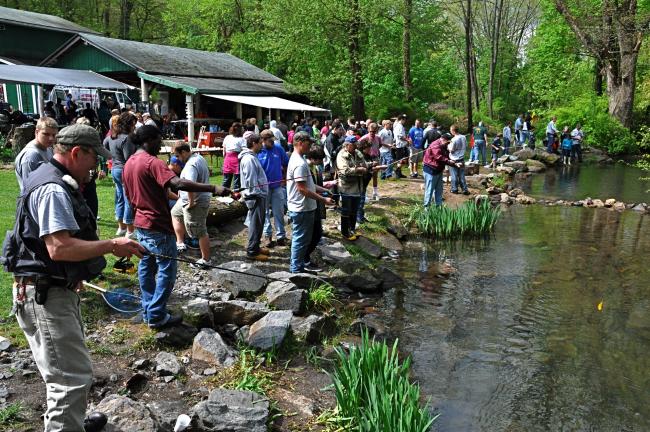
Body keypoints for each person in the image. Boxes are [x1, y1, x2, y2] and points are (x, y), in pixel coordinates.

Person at [3, 123, 143, 432]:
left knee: (67, 371)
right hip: (45, 297)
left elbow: (51, 245)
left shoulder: (52, 179)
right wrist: (112, 244)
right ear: (77, 153)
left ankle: (73, 423)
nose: (97, 166)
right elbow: (60, 248)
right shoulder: (53, 188)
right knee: (69, 379)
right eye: (95, 158)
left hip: (52, 290)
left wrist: (73, 274)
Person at [123, 125, 231, 328]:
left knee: (147, 267)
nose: (161, 145)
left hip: (141, 224)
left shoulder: (129, 162)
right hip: (157, 226)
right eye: (160, 141)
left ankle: (149, 310)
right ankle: (156, 315)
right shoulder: (151, 162)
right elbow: (179, 183)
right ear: (151, 140)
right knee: (167, 270)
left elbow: (130, 196)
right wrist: (214, 188)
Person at [287, 132, 333, 273]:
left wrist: (324, 189)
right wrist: (323, 199)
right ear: (300, 142)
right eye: (309, 142)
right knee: (300, 240)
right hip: (301, 208)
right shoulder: (299, 163)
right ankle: (296, 269)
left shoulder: (299, 159)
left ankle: (300, 265)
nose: (311, 146)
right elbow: (302, 190)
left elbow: (309, 185)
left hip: (306, 207)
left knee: (307, 238)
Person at [171, 143, 213, 267]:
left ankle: (206, 260)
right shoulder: (198, 157)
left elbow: (189, 184)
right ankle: (180, 243)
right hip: (186, 201)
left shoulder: (190, 165)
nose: (178, 159)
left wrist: (191, 202)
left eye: (178, 156)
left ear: (184, 152)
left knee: (199, 231)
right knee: (175, 213)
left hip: (196, 202)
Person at [103, 112, 137, 239]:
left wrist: (111, 158)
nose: (135, 126)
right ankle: (130, 230)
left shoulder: (111, 137)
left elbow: (104, 147)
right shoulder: (126, 138)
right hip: (124, 170)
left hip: (115, 170)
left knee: (120, 198)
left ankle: (121, 228)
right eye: (133, 124)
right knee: (128, 199)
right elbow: (129, 158)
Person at [239, 134, 270, 261]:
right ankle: (252, 251)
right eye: (260, 143)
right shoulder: (249, 159)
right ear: (254, 143)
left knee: (259, 223)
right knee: (255, 224)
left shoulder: (252, 157)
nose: (262, 145)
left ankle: (255, 247)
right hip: (255, 196)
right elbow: (251, 180)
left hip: (258, 195)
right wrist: (257, 193)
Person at [258, 129, 289, 247]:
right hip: (263, 188)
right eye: (270, 140)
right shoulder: (258, 151)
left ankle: (281, 236)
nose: (272, 142)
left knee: (279, 211)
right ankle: (267, 236)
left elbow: (286, 164)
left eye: (273, 140)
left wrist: (285, 179)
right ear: (263, 140)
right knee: (265, 212)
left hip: (277, 187)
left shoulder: (278, 149)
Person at [337, 135, 368, 241]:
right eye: (353, 144)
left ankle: (352, 229)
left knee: (354, 210)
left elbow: (364, 165)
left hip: (358, 187)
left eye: (356, 144)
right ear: (347, 145)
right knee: (346, 210)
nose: (355, 146)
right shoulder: (341, 155)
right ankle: (345, 232)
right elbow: (345, 171)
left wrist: (372, 165)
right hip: (346, 187)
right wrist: (359, 170)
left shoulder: (358, 153)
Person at [15, 117, 57, 192]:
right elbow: (31, 188)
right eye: (46, 134)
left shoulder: (48, 149)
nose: (51, 138)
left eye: (53, 135)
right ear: (36, 132)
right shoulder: (30, 156)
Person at [304, 146, 329, 272]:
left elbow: (314, 185)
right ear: (313, 158)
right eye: (319, 160)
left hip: (315, 205)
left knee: (317, 233)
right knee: (311, 234)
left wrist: (324, 189)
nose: (320, 163)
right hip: (308, 206)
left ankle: (306, 258)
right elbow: (306, 188)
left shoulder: (315, 167)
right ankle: (304, 260)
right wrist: (323, 198)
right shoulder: (305, 167)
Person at [423, 133, 460, 207]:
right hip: (431, 170)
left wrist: (453, 163)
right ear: (443, 139)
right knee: (429, 190)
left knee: (439, 190)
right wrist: (449, 162)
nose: (449, 144)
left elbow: (445, 156)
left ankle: (438, 207)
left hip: (439, 170)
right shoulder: (435, 145)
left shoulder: (444, 145)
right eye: (448, 142)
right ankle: (426, 208)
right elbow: (438, 157)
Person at [358, 122, 382, 200]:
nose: (372, 133)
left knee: (375, 175)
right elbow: (359, 147)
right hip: (366, 158)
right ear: (368, 130)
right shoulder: (364, 138)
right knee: (365, 176)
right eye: (370, 131)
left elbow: (380, 145)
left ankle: (375, 193)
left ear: (376, 131)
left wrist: (376, 152)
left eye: (374, 131)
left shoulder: (378, 138)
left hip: (375, 158)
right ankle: (363, 193)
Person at [222, 122, 244, 190]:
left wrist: (225, 158)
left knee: (226, 179)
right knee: (237, 179)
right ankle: (236, 194)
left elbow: (224, 150)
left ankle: (223, 194)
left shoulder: (227, 137)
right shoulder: (241, 139)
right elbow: (244, 150)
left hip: (228, 158)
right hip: (237, 158)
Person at [449, 125, 470, 195]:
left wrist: (448, 147)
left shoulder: (454, 139)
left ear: (453, 131)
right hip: (461, 158)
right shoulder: (463, 137)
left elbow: (451, 150)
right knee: (461, 175)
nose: (450, 132)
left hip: (454, 159)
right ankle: (464, 189)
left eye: (451, 130)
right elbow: (466, 145)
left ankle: (454, 189)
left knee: (454, 175)